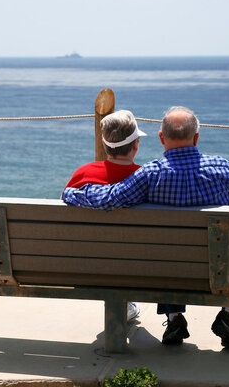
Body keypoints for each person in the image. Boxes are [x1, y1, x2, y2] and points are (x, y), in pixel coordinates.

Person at [62, 106, 229, 349]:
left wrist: (72, 193)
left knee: (168, 252)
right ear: (196, 137)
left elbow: (109, 198)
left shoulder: (150, 174)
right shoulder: (223, 168)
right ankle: (228, 316)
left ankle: (174, 317)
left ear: (161, 138)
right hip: (216, 267)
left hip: (168, 269)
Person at [64, 109, 147, 322]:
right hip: (140, 265)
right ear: (136, 145)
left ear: (104, 145)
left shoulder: (83, 174)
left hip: (89, 264)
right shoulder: (146, 178)